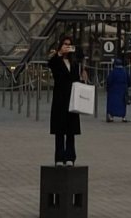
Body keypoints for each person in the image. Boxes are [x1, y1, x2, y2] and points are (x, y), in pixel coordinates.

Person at [48, 35, 83, 165]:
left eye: (69, 44)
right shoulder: (56, 60)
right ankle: (59, 157)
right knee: (59, 130)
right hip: (60, 98)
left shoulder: (74, 63)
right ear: (60, 46)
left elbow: (76, 78)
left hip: (72, 98)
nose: (67, 47)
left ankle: (70, 157)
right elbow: (51, 65)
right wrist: (59, 54)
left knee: (70, 130)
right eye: (65, 44)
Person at [105, 56, 130, 121]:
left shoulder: (113, 72)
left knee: (112, 104)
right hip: (123, 90)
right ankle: (123, 117)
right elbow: (129, 80)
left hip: (113, 90)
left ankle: (111, 116)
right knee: (122, 104)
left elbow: (109, 80)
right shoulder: (125, 71)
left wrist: (107, 88)